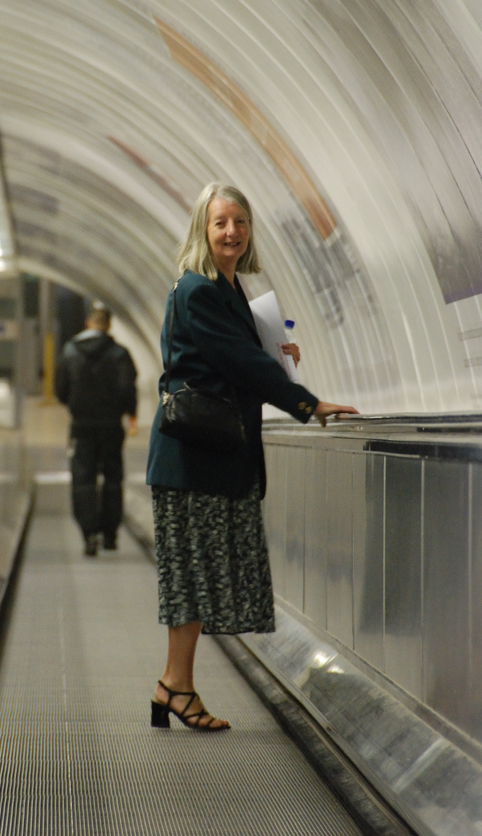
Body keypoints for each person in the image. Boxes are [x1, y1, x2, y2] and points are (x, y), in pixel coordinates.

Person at [146, 182, 358, 730]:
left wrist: (275, 355)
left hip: (208, 457)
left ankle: (174, 684)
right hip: (192, 461)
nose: (232, 232)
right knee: (191, 576)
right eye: (220, 222)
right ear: (203, 229)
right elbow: (236, 361)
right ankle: (175, 685)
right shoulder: (198, 289)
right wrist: (306, 402)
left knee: (195, 574)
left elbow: (236, 356)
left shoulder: (228, 288)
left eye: (240, 221)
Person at [55, 304, 138, 556]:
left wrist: (76, 404)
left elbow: (61, 389)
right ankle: (110, 535)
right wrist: (130, 413)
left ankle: (88, 533)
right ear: (109, 326)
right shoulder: (120, 353)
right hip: (111, 425)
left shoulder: (70, 351)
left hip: (81, 425)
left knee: (83, 478)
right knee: (112, 477)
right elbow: (127, 388)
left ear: (88, 324)